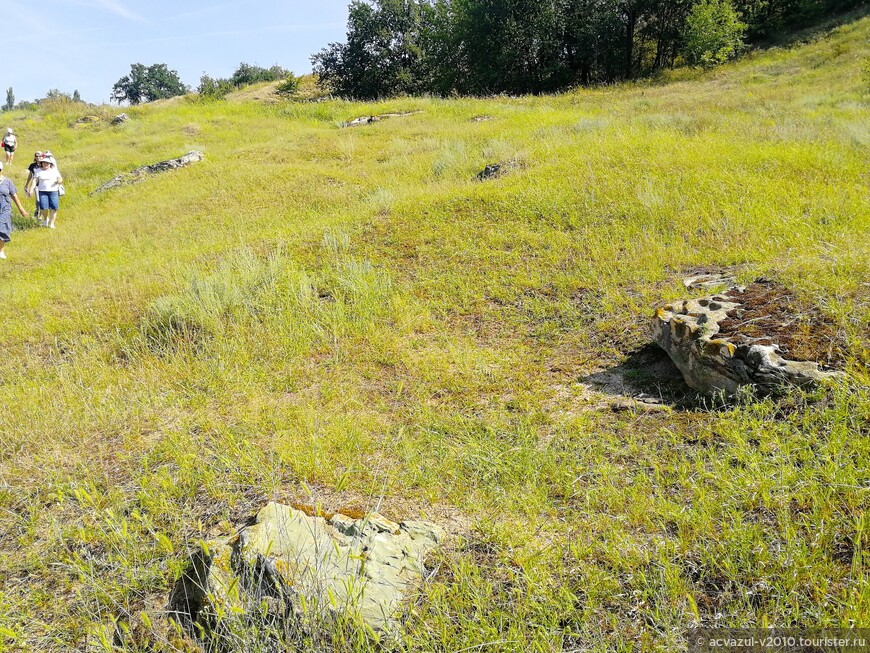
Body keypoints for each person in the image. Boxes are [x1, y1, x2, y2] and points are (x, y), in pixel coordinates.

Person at [0, 162, 30, 259]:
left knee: (2, 228)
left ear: (2, 170)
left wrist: (21, 209)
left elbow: (14, 196)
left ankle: (1, 251)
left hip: (4, 208)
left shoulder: (7, 181)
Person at [31, 155, 63, 228]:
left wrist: (59, 181)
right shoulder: (38, 171)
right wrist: (31, 189)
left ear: (50, 164)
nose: (46, 164)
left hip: (53, 191)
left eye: (47, 163)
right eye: (44, 163)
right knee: (43, 207)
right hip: (42, 191)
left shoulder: (54, 170)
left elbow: (60, 178)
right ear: (41, 163)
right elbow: (35, 180)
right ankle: (45, 219)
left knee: (54, 207)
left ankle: (51, 223)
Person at [24, 151, 42, 218]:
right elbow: (30, 175)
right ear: (35, 157)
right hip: (36, 185)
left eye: (39, 156)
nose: (38, 157)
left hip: (44, 184)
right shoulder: (32, 165)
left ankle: (40, 215)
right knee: (38, 200)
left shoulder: (44, 164)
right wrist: (26, 185)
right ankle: (37, 210)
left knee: (42, 200)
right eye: (37, 156)